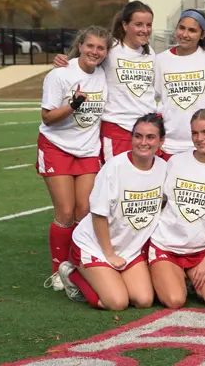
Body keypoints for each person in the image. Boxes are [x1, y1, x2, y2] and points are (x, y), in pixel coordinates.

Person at [57, 114, 167, 310]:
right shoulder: (114, 168)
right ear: (131, 138)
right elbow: (99, 214)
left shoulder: (164, 169)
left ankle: (107, 277)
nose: (143, 142)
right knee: (117, 303)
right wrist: (109, 253)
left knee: (143, 300)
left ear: (161, 141)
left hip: (128, 248)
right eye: (138, 136)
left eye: (150, 137)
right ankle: (73, 274)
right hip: (96, 244)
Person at [40, 26, 111, 291]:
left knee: (85, 211)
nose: (95, 51)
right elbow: (47, 117)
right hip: (57, 147)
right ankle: (57, 271)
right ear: (80, 45)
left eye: (100, 48)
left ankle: (76, 266)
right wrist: (73, 106)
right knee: (66, 211)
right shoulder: (60, 74)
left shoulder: (104, 74)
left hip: (88, 150)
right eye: (90, 46)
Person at [149, 109, 205, 308]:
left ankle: (184, 277)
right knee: (175, 300)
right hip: (167, 246)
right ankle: (168, 274)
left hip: (201, 251)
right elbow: (160, 203)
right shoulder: (175, 162)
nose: (199, 138)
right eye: (195, 133)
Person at [53, 1, 157, 161]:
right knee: (117, 183)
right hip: (118, 128)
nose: (145, 30)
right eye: (138, 24)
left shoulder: (150, 53)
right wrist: (63, 60)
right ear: (125, 25)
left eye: (148, 25)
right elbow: (85, 60)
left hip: (147, 129)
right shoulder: (112, 47)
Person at [154, 9, 205, 158]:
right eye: (182, 28)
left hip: (204, 144)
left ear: (202, 35)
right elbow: (152, 97)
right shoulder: (160, 60)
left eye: (192, 30)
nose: (185, 34)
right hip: (170, 144)